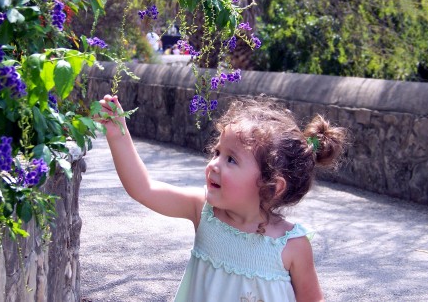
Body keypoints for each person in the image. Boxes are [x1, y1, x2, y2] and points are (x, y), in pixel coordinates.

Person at [96, 95, 347, 302]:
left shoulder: (292, 245)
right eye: (217, 152)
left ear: (271, 187)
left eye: (231, 159)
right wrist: (118, 132)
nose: (214, 164)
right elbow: (144, 188)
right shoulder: (203, 211)